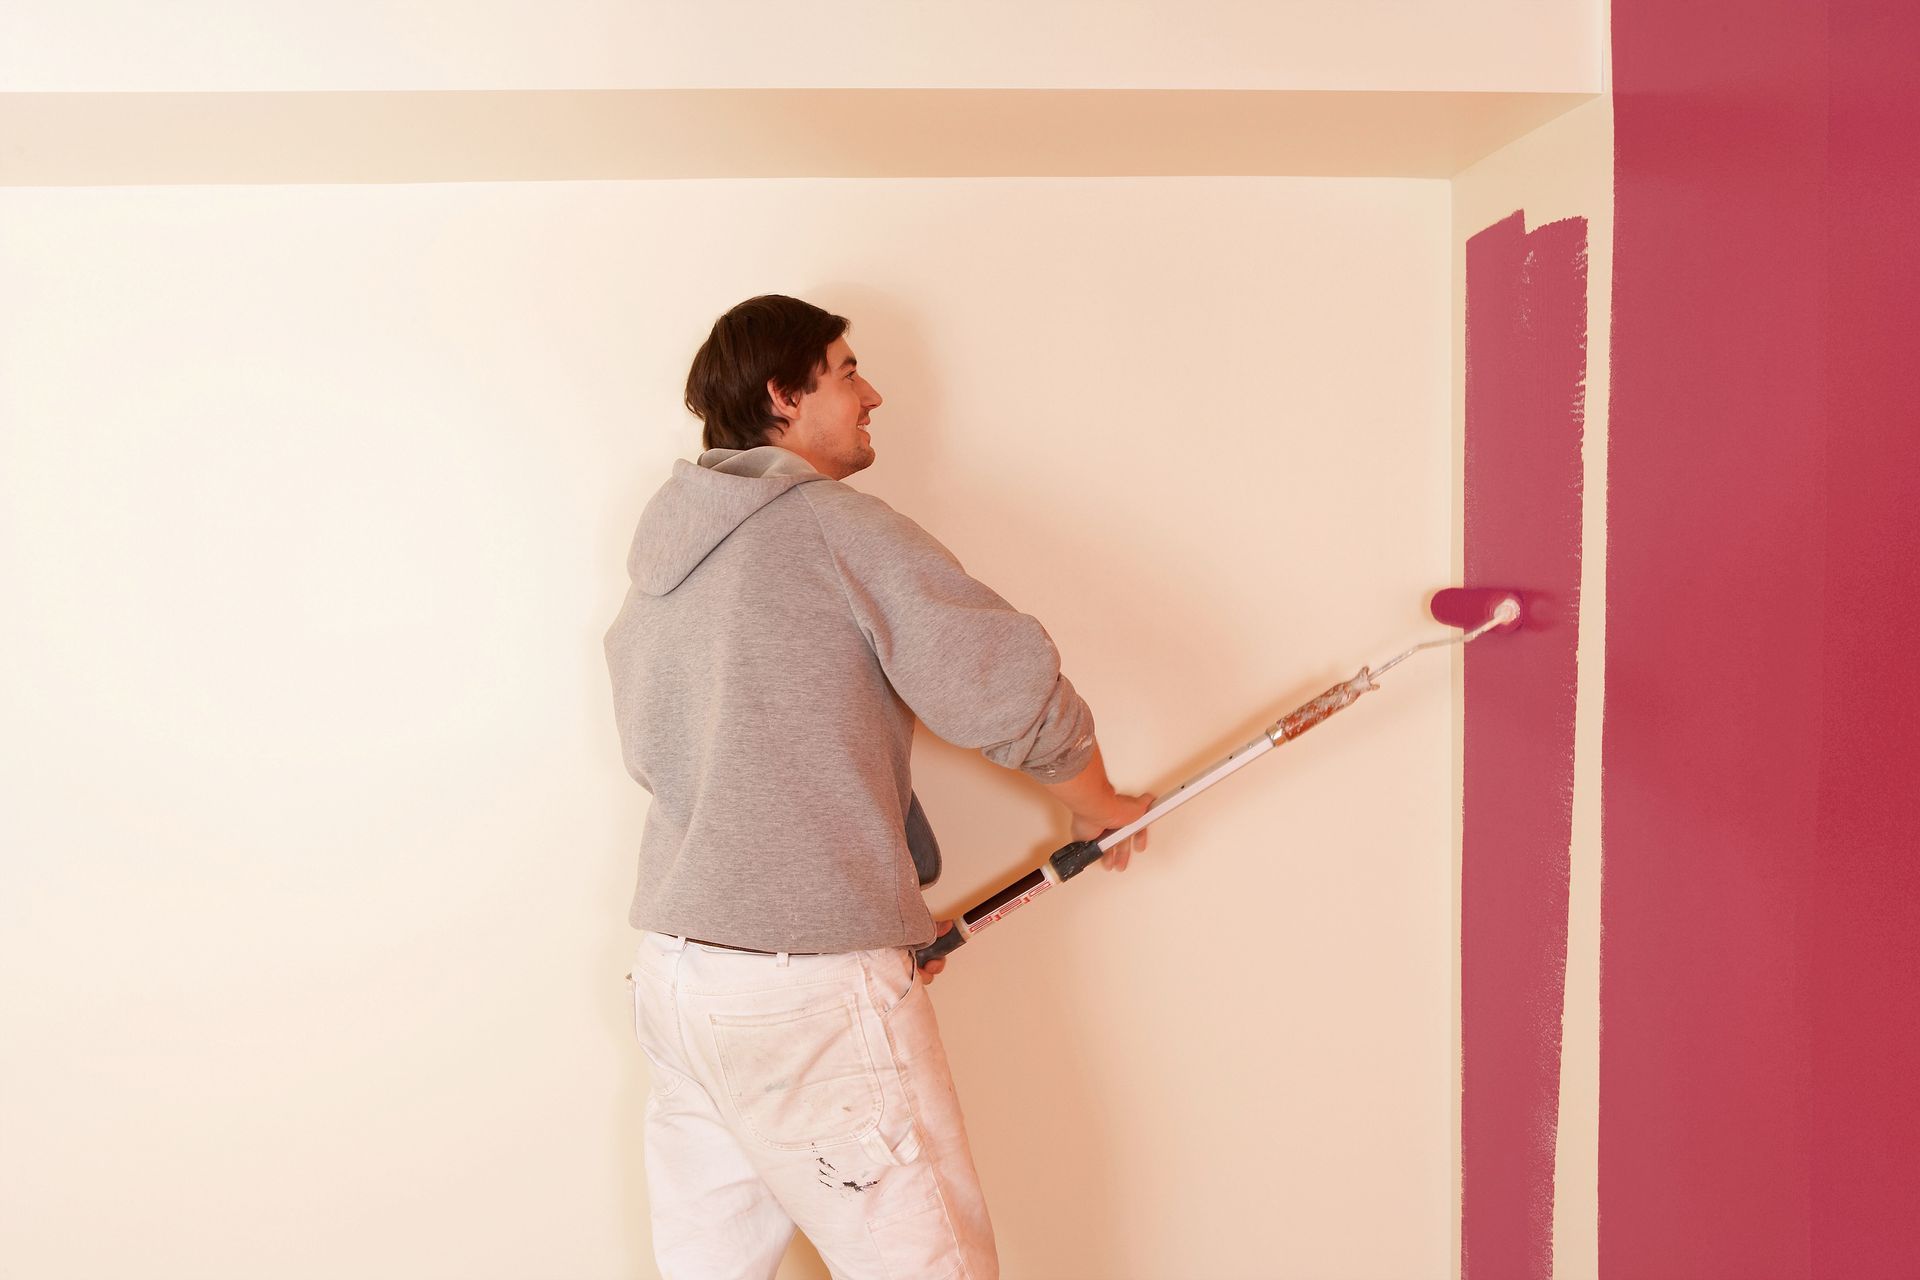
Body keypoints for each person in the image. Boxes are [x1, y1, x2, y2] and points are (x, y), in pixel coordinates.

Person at [604, 294, 1150, 1279]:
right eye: (848, 370)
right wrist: (1100, 805)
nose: (873, 393)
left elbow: (662, 754)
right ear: (784, 394)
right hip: (801, 989)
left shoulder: (664, 557)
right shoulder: (826, 525)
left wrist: (864, 909)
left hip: (681, 977)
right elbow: (1001, 678)